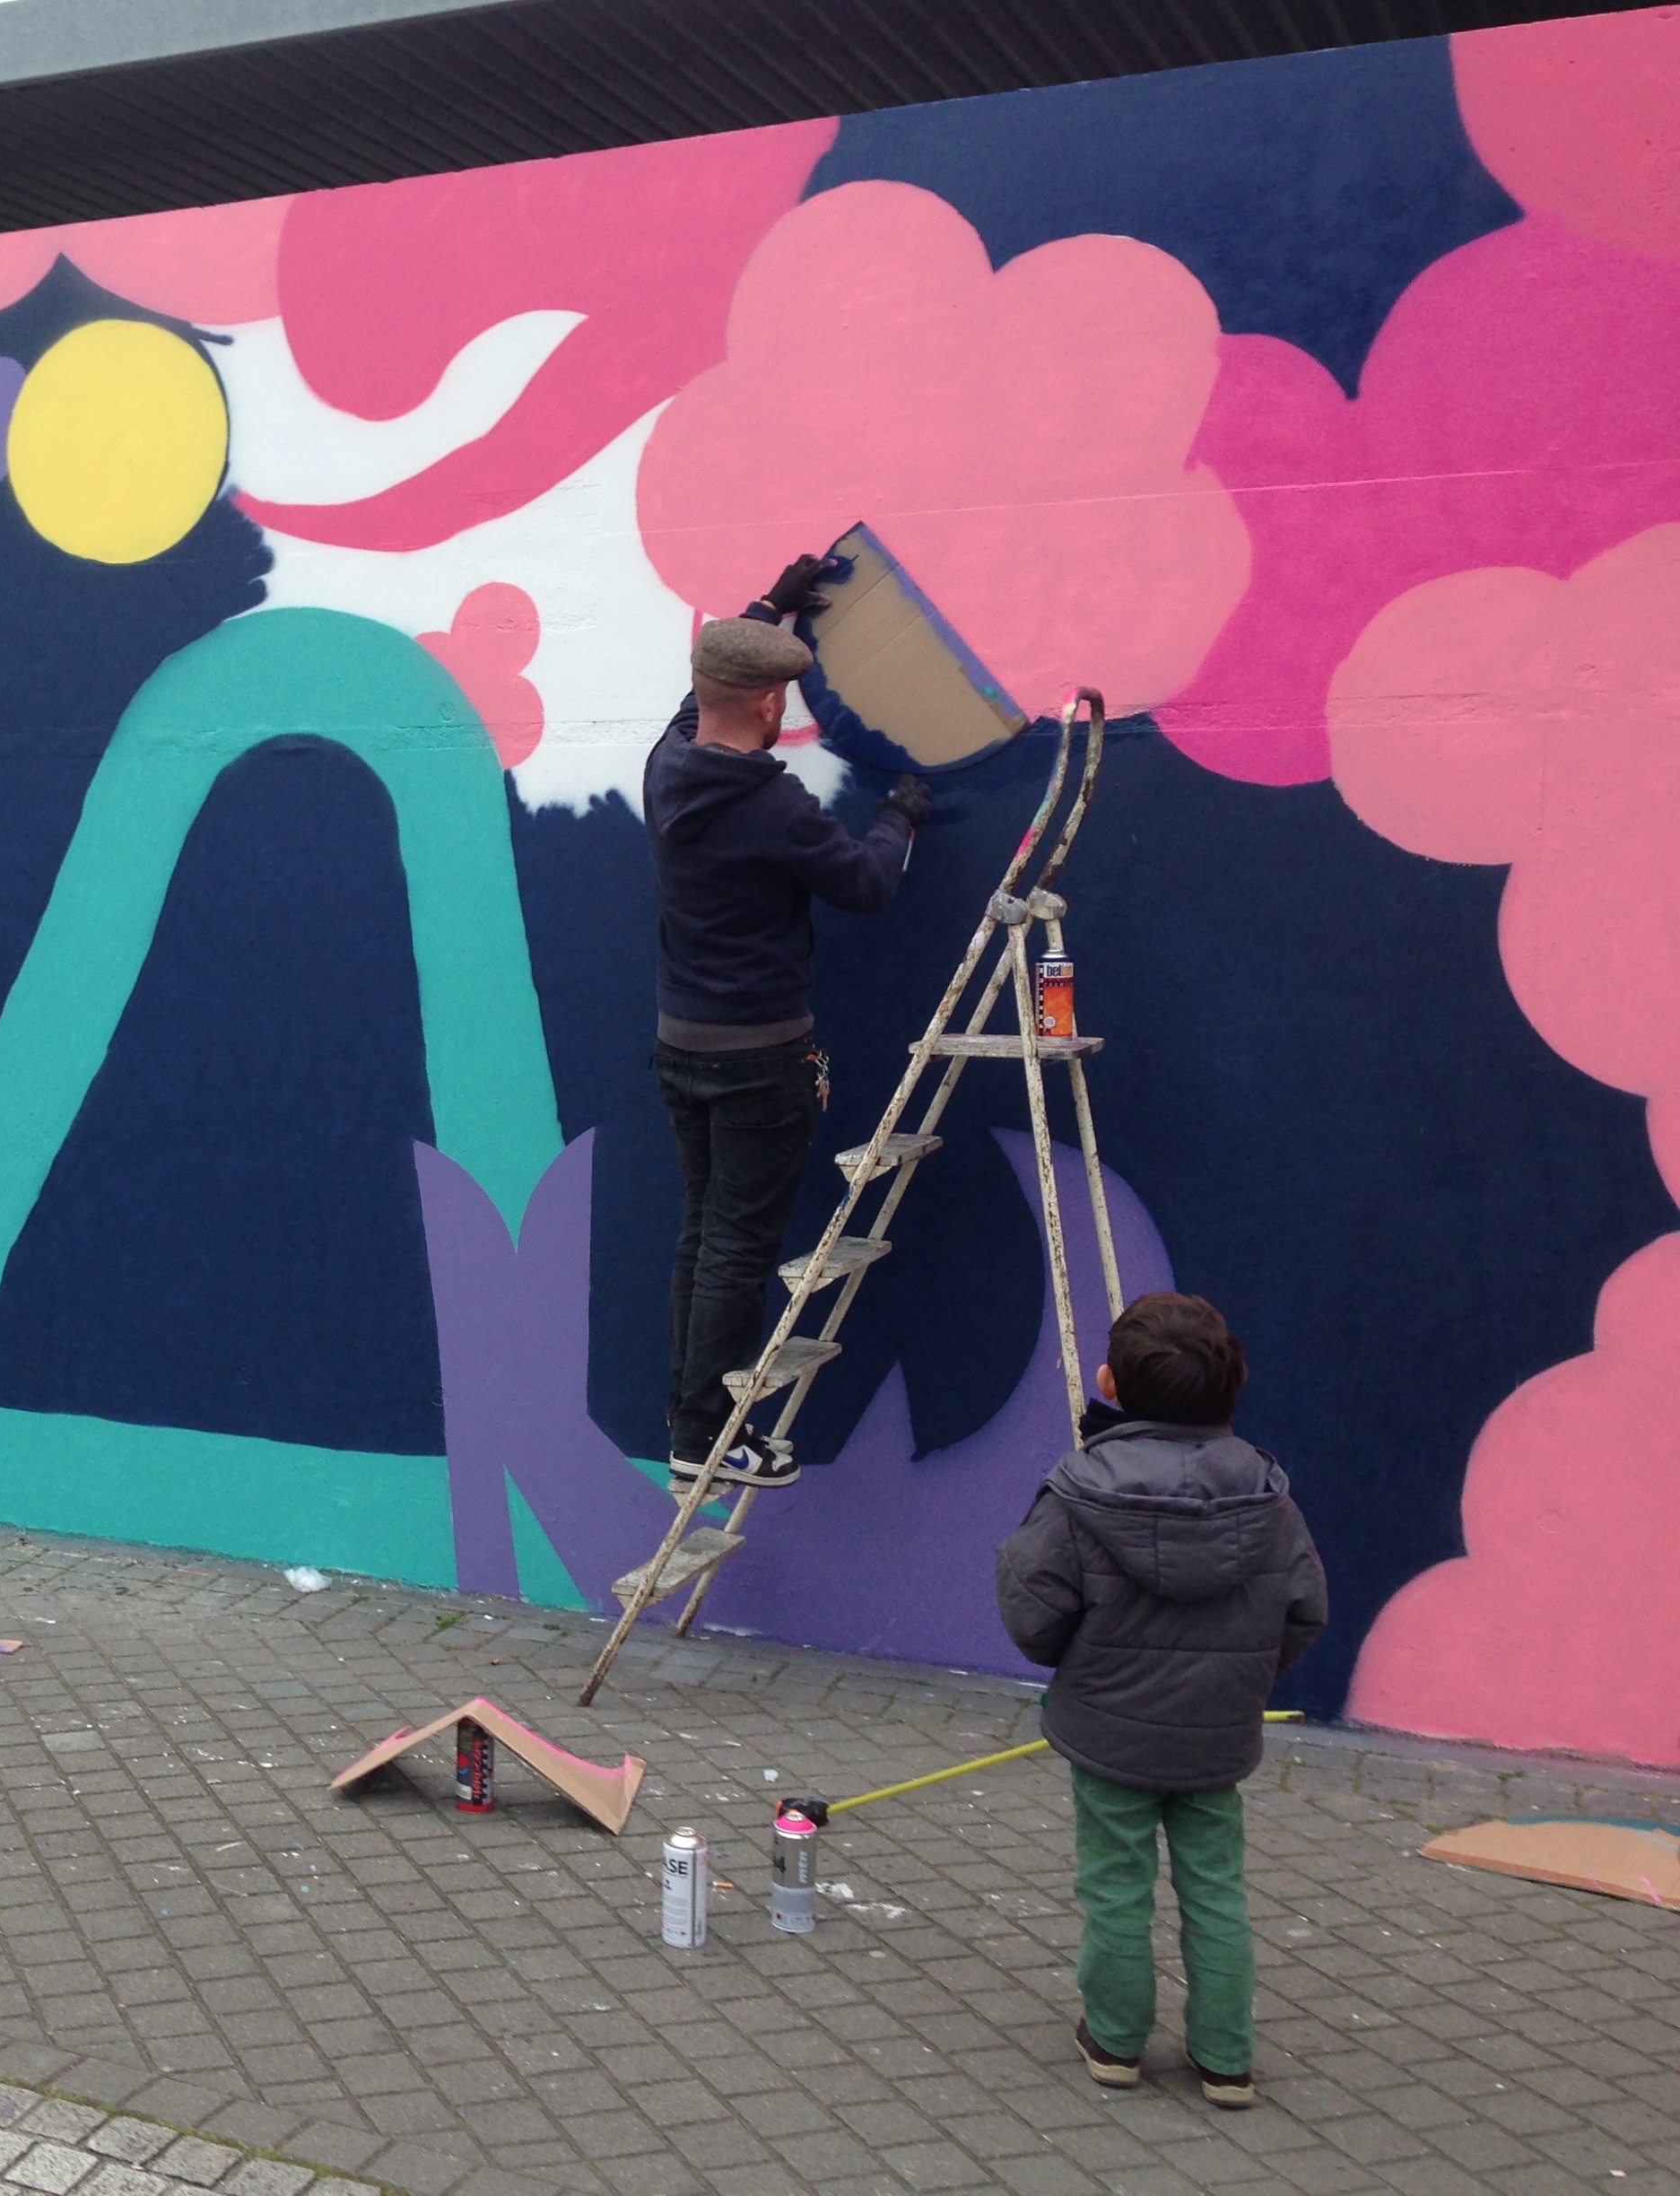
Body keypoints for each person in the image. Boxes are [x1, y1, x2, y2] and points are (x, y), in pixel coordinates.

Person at [995, 1292, 1329, 2110]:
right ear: (1232, 1385)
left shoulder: (1078, 1490)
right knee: (1216, 1891)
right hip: (1217, 1735)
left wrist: (1079, 1663)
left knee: (1116, 1888)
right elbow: (1303, 1611)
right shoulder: (1270, 1498)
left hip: (1109, 1733)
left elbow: (1034, 1614)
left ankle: (1114, 2041)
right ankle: (1225, 2058)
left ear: (1110, 1382)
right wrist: (1242, 1680)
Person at [647, 553, 928, 1490]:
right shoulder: (770, 803)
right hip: (760, 1063)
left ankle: (694, 1426)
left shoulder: (668, 765)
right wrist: (900, 818)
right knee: (736, 1248)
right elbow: (869, 885)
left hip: (682, 1047)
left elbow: (701, 692)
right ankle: (708, 1436)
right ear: (773, 704)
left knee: (703, 1236)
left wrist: (769, 606)